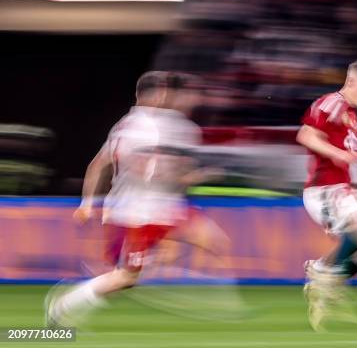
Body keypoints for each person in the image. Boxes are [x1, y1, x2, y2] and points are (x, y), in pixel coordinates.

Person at [46, 71, 226, 327]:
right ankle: (65, 304)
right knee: (125, 278)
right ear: (160, 93)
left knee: (210, 239)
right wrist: (195, 176)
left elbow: (97, 165)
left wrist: (86, 203)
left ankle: (147, 261)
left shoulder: (126, 124)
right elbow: (150, 173)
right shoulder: (147, 129)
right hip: (139, 212)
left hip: (154, 208)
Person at [296, 59, 357, 331]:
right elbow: (305, 136)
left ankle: (325, 285)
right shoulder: (331, 103)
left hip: (341, 190)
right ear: (351, 81)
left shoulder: (352, 116)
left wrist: (352, 188)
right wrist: (339, 154)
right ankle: (323, 271)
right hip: (323, 190)